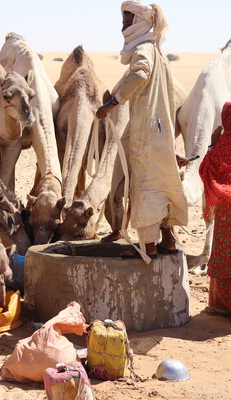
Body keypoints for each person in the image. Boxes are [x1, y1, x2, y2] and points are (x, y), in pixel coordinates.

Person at [96, 0, 188, 259]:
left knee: (143, 185)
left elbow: (139, 73)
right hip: (159, 131)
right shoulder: (158, 52)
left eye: (127, 22)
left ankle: (147, 247)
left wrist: (112, 104)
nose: (123, 27)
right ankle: (167, 241)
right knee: (162, 184)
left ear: (140, 23)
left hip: (146, 133)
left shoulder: (145, 50)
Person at [199, 102, 231, 316]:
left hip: (228, 212)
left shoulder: (225, 142)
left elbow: (207, 167)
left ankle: (223, 306)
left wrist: (212, 143)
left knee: (224, 254)